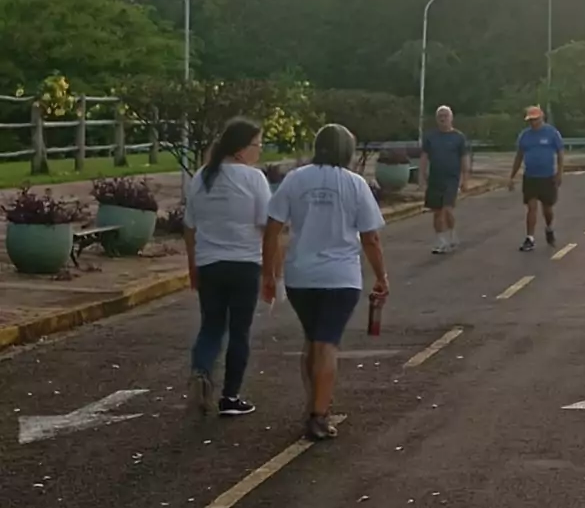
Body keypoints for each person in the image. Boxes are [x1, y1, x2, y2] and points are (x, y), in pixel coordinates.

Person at [262, 124, 389, 442]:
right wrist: (381, 275)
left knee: (313, 339)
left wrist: (269, 273)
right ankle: (319, 415)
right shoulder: (355, 184)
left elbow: (272, 228)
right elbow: (370, 237)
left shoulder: (295, 179)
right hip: (340, 276)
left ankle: (313, 403)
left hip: (301, 275)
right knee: (327, 343)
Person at [183, 117, 271, 417]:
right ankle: (230, 396)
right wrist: (273, 270)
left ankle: (201, 370)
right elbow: (266, 225)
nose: (259, 151)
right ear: (240, 149)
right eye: (257, 145)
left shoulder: (200, 177)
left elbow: (189, 228)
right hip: (245, 264)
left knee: (211, 325)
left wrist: (192, 266)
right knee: (239, 331)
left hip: (209, 264)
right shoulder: (254, 179)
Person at [508, 105, 564, 252]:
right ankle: (530, 238)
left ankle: (549, 228)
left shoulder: (551, 133)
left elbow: (560, 153)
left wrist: (559, 173)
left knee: (547, 209)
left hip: (547, 176)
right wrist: (512, 176)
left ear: (542, 118)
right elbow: (519, 156)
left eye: (536, 119)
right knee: (531, 207)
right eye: (531, 120)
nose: (533, 123)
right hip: (531, 176)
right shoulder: (525, 135)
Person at [419, 105, 470, 254]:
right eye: (440, 116)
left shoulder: (458, 137)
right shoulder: (430, 137)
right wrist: (421, 177)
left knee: (447, 209)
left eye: (445, 116)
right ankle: (441, 241)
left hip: (451, 179)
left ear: (451, 118)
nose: (442, 119)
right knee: (437, 211)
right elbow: (424, 158)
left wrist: (465, 179)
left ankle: (452, 234)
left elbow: (464, 158)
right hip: (435, 178)